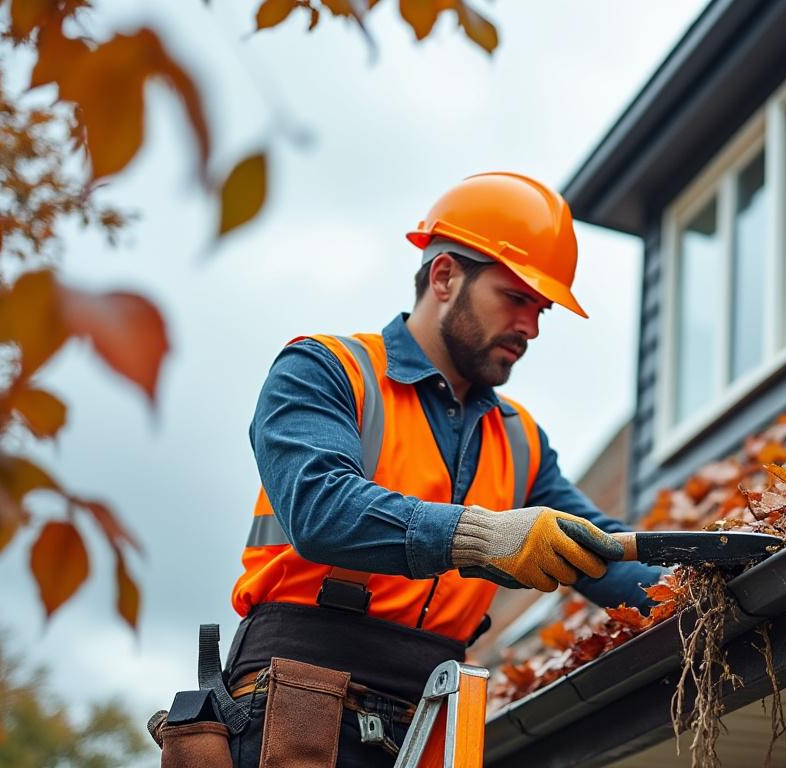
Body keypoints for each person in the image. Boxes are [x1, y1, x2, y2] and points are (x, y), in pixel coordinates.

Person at [221, 172, 662, 767]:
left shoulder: (521, 440)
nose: (532, 328)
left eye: (542, 309)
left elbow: (598, 553)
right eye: (517, 298)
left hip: (433, 726)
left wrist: (701, 583)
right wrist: (483, 538)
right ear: (445, 276)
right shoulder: (325, 371)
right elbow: (322, 510)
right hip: (295, 704)